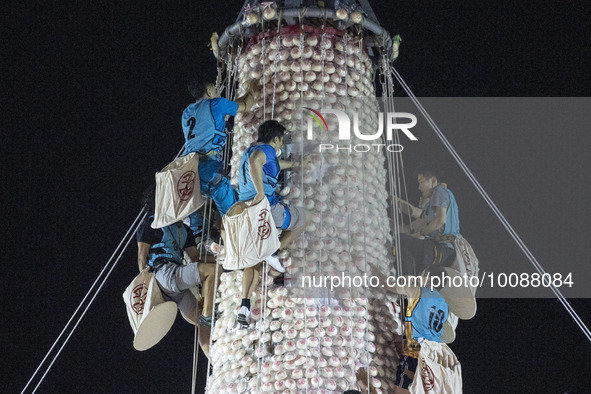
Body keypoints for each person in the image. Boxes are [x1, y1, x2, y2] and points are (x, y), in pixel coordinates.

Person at [234, 120, 310, 327]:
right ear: (276, 139)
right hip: (264, 209)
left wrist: (296, 164)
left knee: (253, 262)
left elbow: (272, 164)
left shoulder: (250, 150)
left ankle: (244, 306)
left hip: (244, 211)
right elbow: (257, 162)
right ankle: (274, 248)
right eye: (280, 142)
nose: (279, 146)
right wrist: (260, 193)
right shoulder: (266, 150)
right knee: (305, 217)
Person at [136, 186, 220, 349]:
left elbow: (196, 259)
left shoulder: (184, 230)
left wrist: (222, 257)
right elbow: (142, 258)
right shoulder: (150, 222)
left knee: (202, 322)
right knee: (212, 272)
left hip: (175, 285)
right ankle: (208, 316)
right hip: (163, 273)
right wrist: (148, 289)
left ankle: (212, 359)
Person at [369, 264, 471, 393]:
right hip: (433, 350)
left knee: (401, 389)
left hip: (416, 348)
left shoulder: (419, 291)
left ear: (428, 279)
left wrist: (373, 269)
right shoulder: (443, 304)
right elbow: (425, 326)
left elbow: (389, 284)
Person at [182, 78, 253, 239]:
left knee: (224, 208)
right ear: (208, 92)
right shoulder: (216, 104)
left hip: (190, 170)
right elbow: (246, 106)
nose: (217, 91)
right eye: (214, 89)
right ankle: (238, 248)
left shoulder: (187, 112)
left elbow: (230, 107)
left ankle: (213, 240)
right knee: (234, 214)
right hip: (210, 168)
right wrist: (253, 88)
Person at [395, 165, 460, 275]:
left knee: (402, 242)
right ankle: (412, 284)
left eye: (421, 182)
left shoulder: (439, 190)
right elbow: (412, 226)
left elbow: (441, 220)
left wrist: (421, 233)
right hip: (440, 249)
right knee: (405, 243)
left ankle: (408, 285)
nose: (419, 187)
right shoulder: (430, 208)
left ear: (433, 180)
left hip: (443, 249)